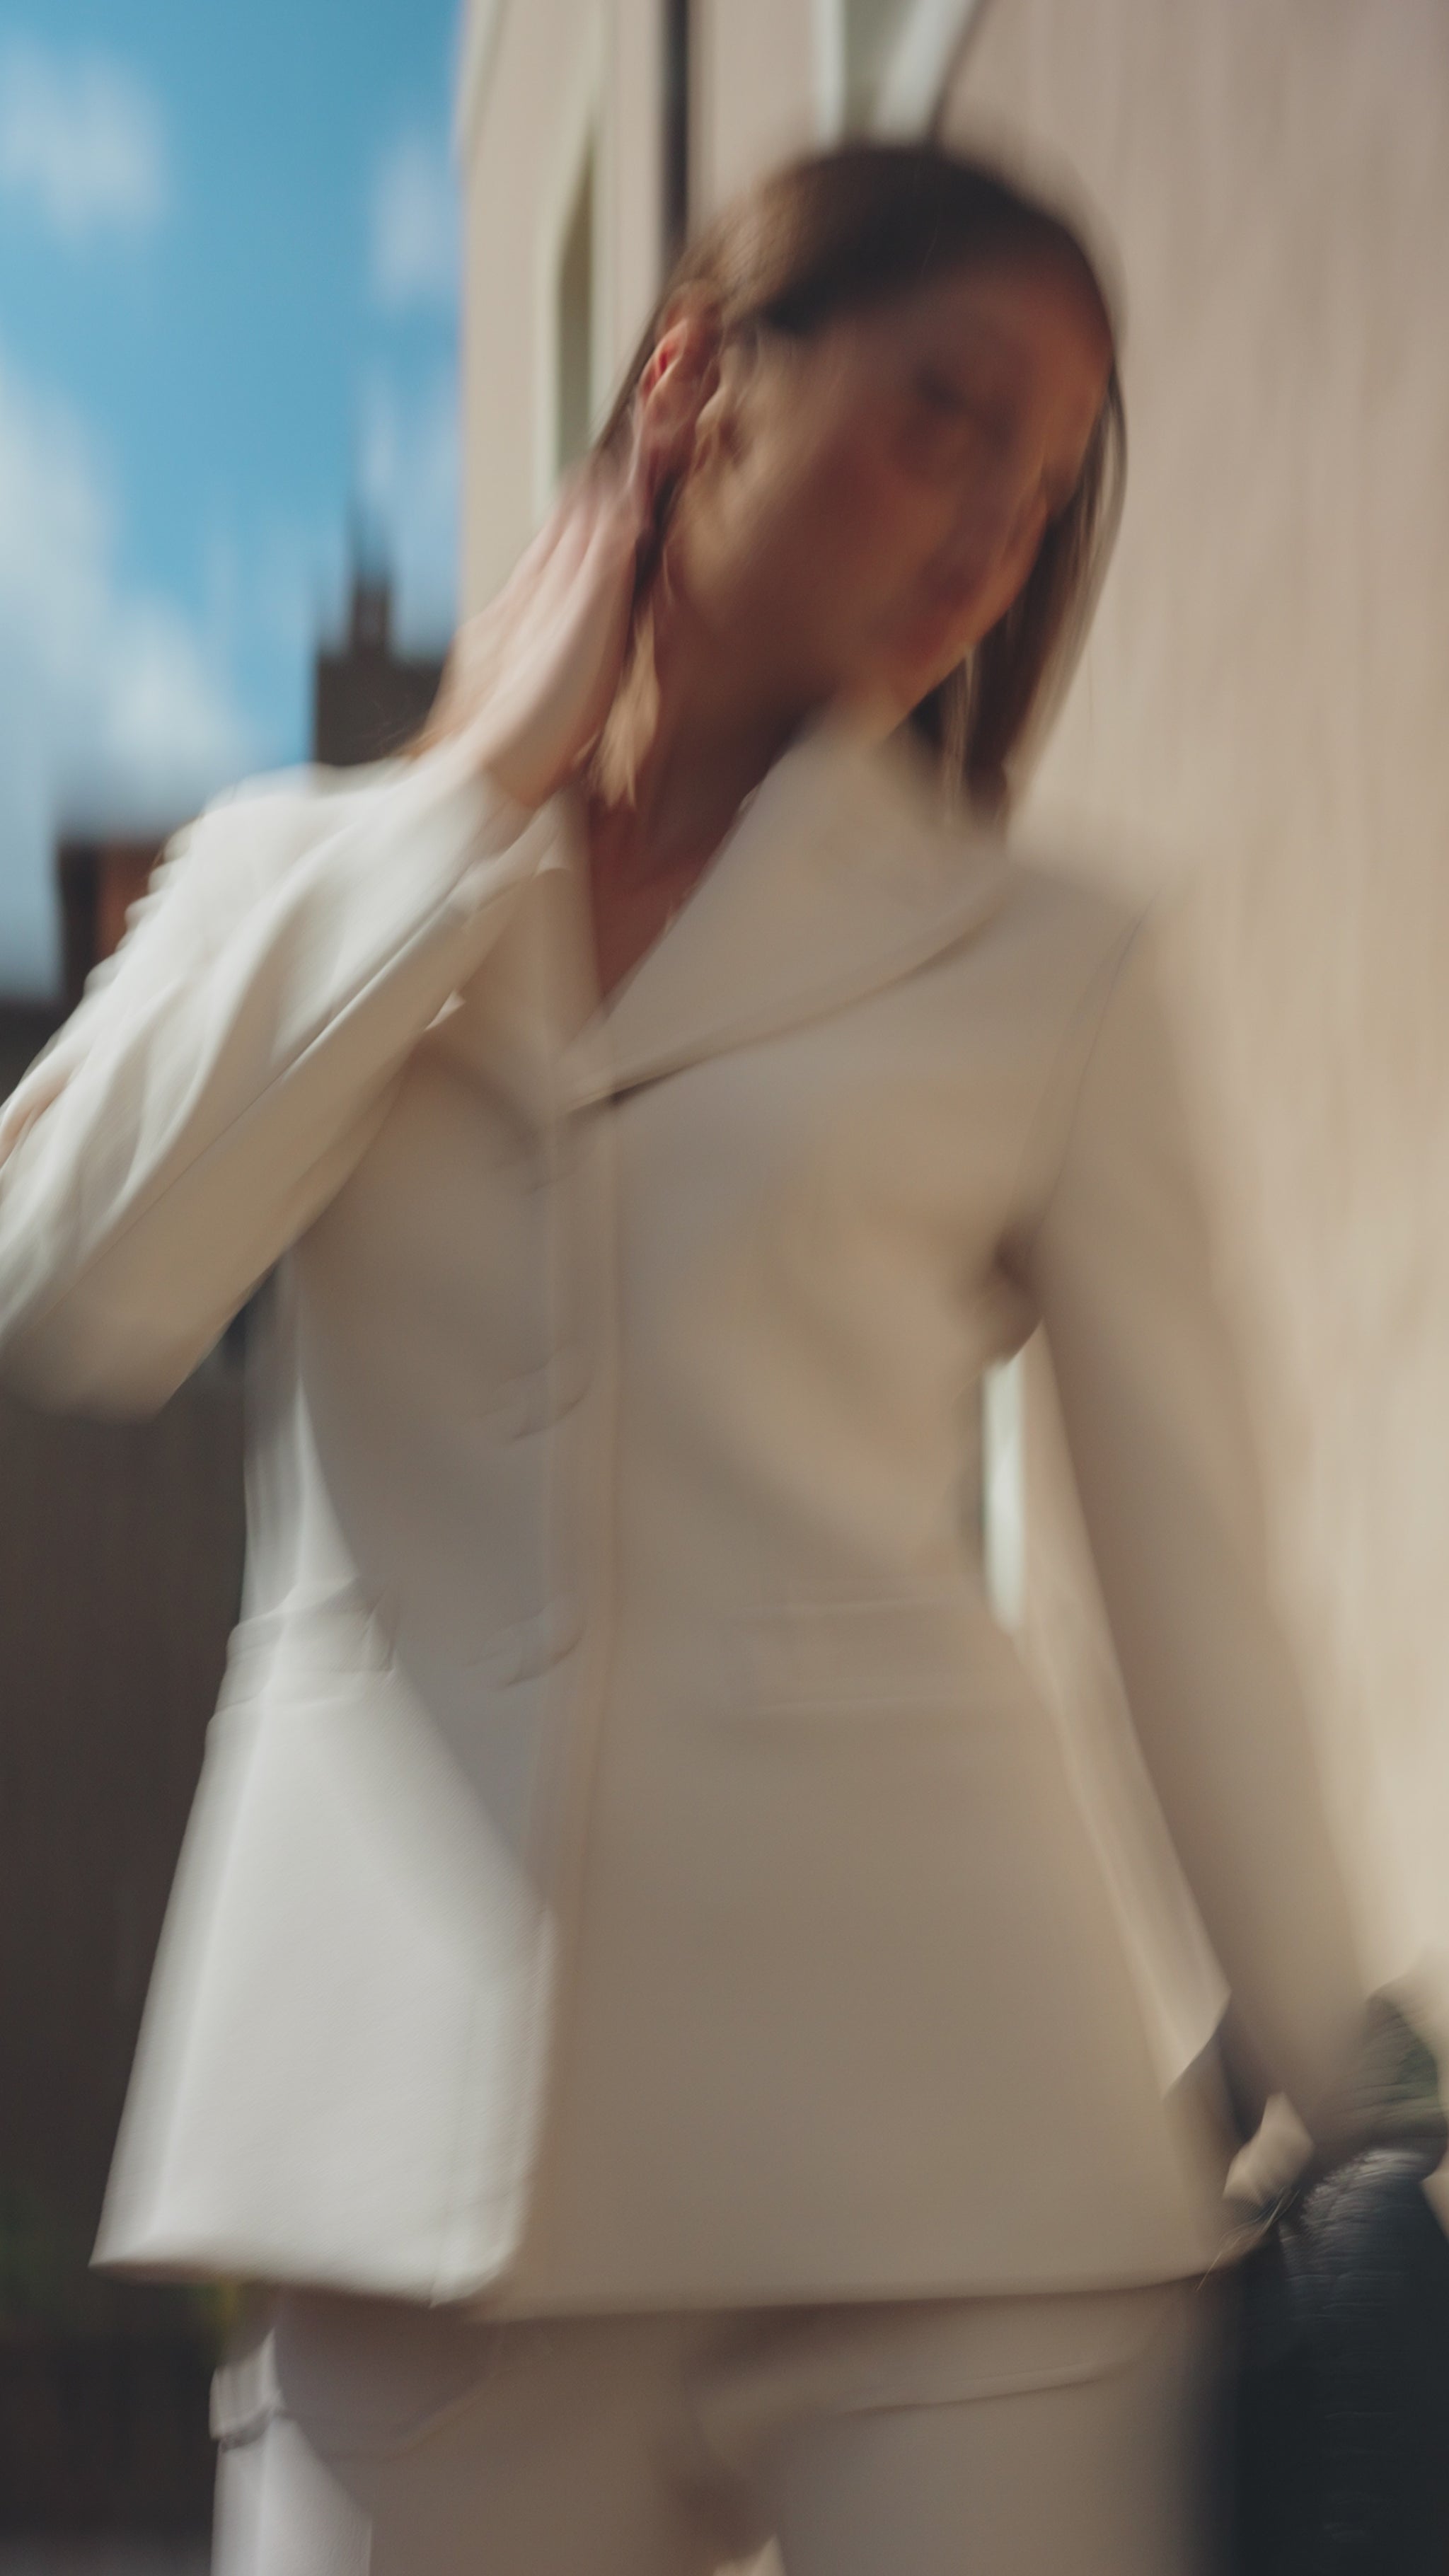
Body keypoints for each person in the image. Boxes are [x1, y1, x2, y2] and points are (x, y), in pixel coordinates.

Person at [0, 144, 1367, 2575]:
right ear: (697, 384)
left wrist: (1358, 2090)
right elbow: (79, 1284)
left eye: (1044, 490)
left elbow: (1195, 1586)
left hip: (956, 2145)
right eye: (947, 416)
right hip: (391, 2170)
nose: (994, 532)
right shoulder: (306, 875)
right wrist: (461, 801)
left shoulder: (1044, 958)